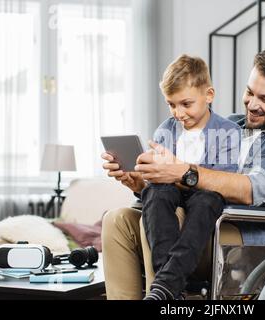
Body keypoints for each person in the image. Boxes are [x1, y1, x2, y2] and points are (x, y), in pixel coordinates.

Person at [101, 49, 265, 300]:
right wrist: (139, 183)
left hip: (250, 239)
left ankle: (165, 293)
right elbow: (177, 189)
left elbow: (251, 189)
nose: (252, 104)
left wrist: (182, 171)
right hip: (206, 225)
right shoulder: (231, 125)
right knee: (117, 220)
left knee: (178, 215)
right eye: (249, 92)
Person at [102, 54, 240, 300]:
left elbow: (224, 181)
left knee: (206, 199)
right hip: (172, 197)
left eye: (186, 104)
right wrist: (139, 181)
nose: (178, 113)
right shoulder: (165, 130)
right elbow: (159, 183)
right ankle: (169, 289)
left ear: (209, 95)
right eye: (171, 104)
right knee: (156, 191)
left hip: (207, 199)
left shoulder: (228, 132)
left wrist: (180, 173)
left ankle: (166, 284)